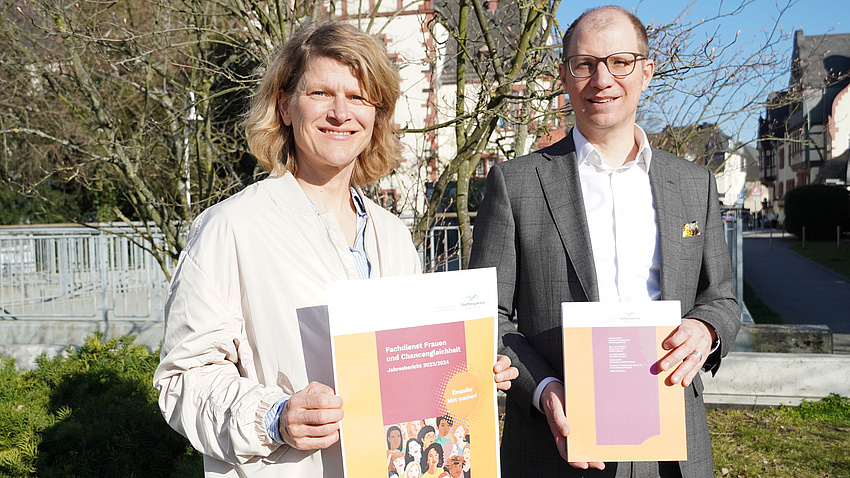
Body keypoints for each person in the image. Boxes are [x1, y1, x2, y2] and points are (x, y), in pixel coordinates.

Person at [153, 21, 516, 477]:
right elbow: (183, 381)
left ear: (375, 116)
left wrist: (469, 374)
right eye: (321, 93)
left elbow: (408, 374)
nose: (341, 113)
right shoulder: (231, 228)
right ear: (285, 105)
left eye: (359, 98)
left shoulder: (393, 235)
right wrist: (275, 416)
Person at [468, 5, 740, 478]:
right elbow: (487, 314)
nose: (602, 79)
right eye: (585, 64)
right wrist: (544, 388)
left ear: (646, 71)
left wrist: (707, 330)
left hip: (671, 443)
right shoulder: (516, 184)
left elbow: (722, 297)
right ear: (565, 75)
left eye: (620, 62)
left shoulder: (694, 183)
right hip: (555, 443)